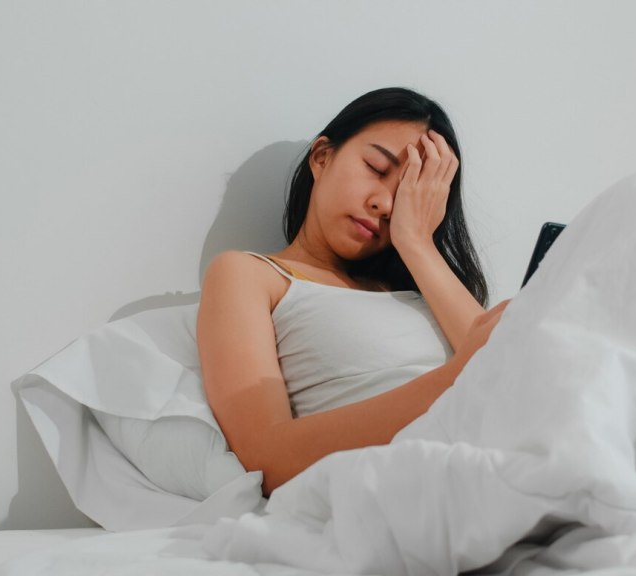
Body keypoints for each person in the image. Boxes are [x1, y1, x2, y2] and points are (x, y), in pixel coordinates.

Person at [196, 87, 510, 496]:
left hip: (502, 463)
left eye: (409, 195)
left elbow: (507, 372)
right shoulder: (251, 275)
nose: (384, 203)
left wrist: (416, 243)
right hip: (408, 489)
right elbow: (264, 458)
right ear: (322, 157)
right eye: (378, 169)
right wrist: (455, 379)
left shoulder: (424, 288)